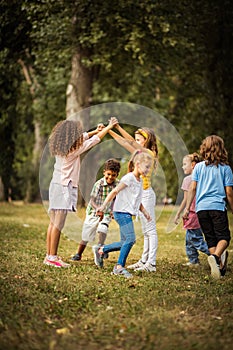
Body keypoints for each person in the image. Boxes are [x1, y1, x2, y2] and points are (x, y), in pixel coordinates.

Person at [43, 118, 117, 268]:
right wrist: (109, 127)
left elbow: (84, 137)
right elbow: (94, 141)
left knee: (53, 223)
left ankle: (49, 256)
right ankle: (53, 257)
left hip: (56, 184)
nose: (80, 135)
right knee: (59, 223)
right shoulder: (73, 149)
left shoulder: (62, 146)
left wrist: (96, 130)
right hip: (65, 187)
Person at [92, 150, 153, 278]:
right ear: (137, 164)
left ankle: (101, 250)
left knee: (125, 241)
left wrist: (145, 212)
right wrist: (103, 207)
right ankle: (119, 267)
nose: (148, 170)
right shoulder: (128, 178)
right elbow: (114, 192)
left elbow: (137, 200)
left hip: (127, 213)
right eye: (146, 167)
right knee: (130, 239)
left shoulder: (140, 181)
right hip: (121, 212)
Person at [107, 122, 158, 272]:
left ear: (146, 140)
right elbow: (125, 142)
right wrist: (111, 130)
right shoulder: (140, 153)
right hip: (141, 194)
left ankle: (152, 263)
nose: (135, 142)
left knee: (151, 230)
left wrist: (117, 127)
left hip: (147, 194)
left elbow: (128, 141)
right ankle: (144, 261)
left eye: (138, 139)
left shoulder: (148, 153)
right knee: (145, 230)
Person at [183, 135, 233, 279]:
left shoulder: (198, 167)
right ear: (221, 149)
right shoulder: (225, 168)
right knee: (224, 237)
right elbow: (229, 192)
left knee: (210, 238)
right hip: (217, 207)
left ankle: (218, 268)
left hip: (201, 209)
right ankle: (216, 256)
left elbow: (192, 188)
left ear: (204, 149)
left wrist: (187, 208)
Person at [70, 158, 121, 261]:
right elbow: (92, 200)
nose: (110, 177)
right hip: (94, 211)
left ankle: (101, 248)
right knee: (87, 234)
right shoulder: (99, 184)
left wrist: (113, 211)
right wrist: (98, 209)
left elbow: (117, 199)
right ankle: (78, 254)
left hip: (107, 212)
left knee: (103, 229)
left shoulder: (118, 184)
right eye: (108, 174)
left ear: (117, 175)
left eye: (113, 175)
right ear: (104, 172)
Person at [174, 153, 210, 267]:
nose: (183, 167)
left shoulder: (188, 179)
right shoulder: (203, 178)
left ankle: (215, 253)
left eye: (185, 164)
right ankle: (194, 261)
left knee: (196, 239)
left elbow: (185, 200)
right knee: (190, 238)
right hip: (201, 212)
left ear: (193, 165)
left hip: (192, 213)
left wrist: (179, 213)